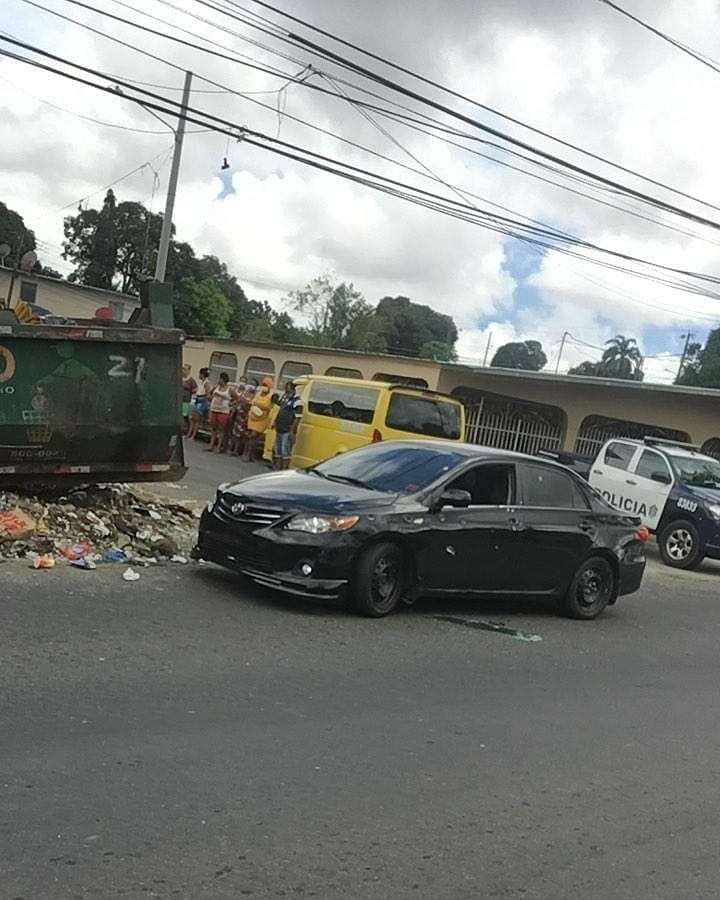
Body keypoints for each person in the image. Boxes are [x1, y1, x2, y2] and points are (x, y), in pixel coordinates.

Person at [273, 381, 303, 470]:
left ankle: (284, 469)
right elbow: (279, 410)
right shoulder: (284, 398)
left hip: (288, 429)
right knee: (277, 450)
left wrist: (292, 431)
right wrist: (275, 422)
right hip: (279, 427)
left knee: (285, 451)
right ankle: (277, 469)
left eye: (289, 388)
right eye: (286, 388)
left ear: (294, 389)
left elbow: (298, 417)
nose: (287, 390)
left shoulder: (297, 401)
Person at [242, 376, 273, 462]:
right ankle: (246, 454)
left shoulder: (271, 396)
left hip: (262, 419)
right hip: (253, 417)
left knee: (256, 438)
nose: (264, 386)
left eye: (266, 385)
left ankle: (252, 455)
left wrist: (260, 405)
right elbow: (253, 402)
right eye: (263, 384)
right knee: (252, 436)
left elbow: (269, 406)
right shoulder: (258, 393)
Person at [207, 372, 236, 453]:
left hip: (223, 411)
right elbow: (209, 394)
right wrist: (210, 397)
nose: (219, 380)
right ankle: (211, 444)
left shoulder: (229, 389)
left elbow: (237, 398)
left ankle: (219, 446)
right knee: (213, 428)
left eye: (220, 379)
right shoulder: (216, 387)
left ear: (224, 380)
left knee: (221, 430)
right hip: (214, 409)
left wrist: (231, 403)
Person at [187, 367, 210, 440]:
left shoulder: (206, 383)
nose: (199, 375)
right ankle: (189, 433)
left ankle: (193, 436)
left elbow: (207, 393)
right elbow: (197, 389)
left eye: (200, 374)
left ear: (202, 374)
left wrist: (204, 401)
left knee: (197, 420)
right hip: (197, 399)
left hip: (202, 401)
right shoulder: (200, 382)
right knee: (192, 418)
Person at [181, 364, 197, 435]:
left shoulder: (191, 380)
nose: (183, 371)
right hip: (178, 400)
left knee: (185, 415)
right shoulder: (179, 378)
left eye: (185, 369)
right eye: (183, 369)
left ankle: (186, 430)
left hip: (186, 401)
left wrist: (187, 387)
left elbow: (195, 389)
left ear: (189, 371)